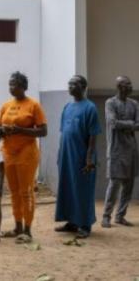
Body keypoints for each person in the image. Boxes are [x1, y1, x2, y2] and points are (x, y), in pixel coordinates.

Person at [0, 71, 47, 242]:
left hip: (27, 152)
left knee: (26, 192)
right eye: (10, 84)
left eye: (15, 84)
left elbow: (43, 131)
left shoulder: (33, 105)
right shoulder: (5, 106)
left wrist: (20, 130)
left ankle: (27, 230)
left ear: (24, 87)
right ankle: (17, 227)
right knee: (14, 192)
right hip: (8, 152)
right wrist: (0, 131)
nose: (12, 87)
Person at [55, 75, 101, 239]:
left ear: (83, 87)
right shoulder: (67, 107)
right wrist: (60, 154)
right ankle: (72, 222)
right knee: (67, 189)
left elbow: (93, 136)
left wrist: (89, 159)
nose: (70, 86)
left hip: (82, 157)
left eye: (73, 84)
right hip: (67, 156)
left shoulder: (90, 108)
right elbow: (63, 133)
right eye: (69, 84)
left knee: (82, 191)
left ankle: (85, 225)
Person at [102, 76, 139, 228]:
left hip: (131, 149)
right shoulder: (110, 103)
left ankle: (120, 216)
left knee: (129, 185)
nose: (130, 86)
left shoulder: (134, 104)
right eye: (127, 84)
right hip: (116, 149)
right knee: (114, 183)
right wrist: (131, 124)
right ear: (119, 86)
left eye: (130, 84)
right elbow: (113, 123)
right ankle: (106, 216)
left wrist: (128, 125)